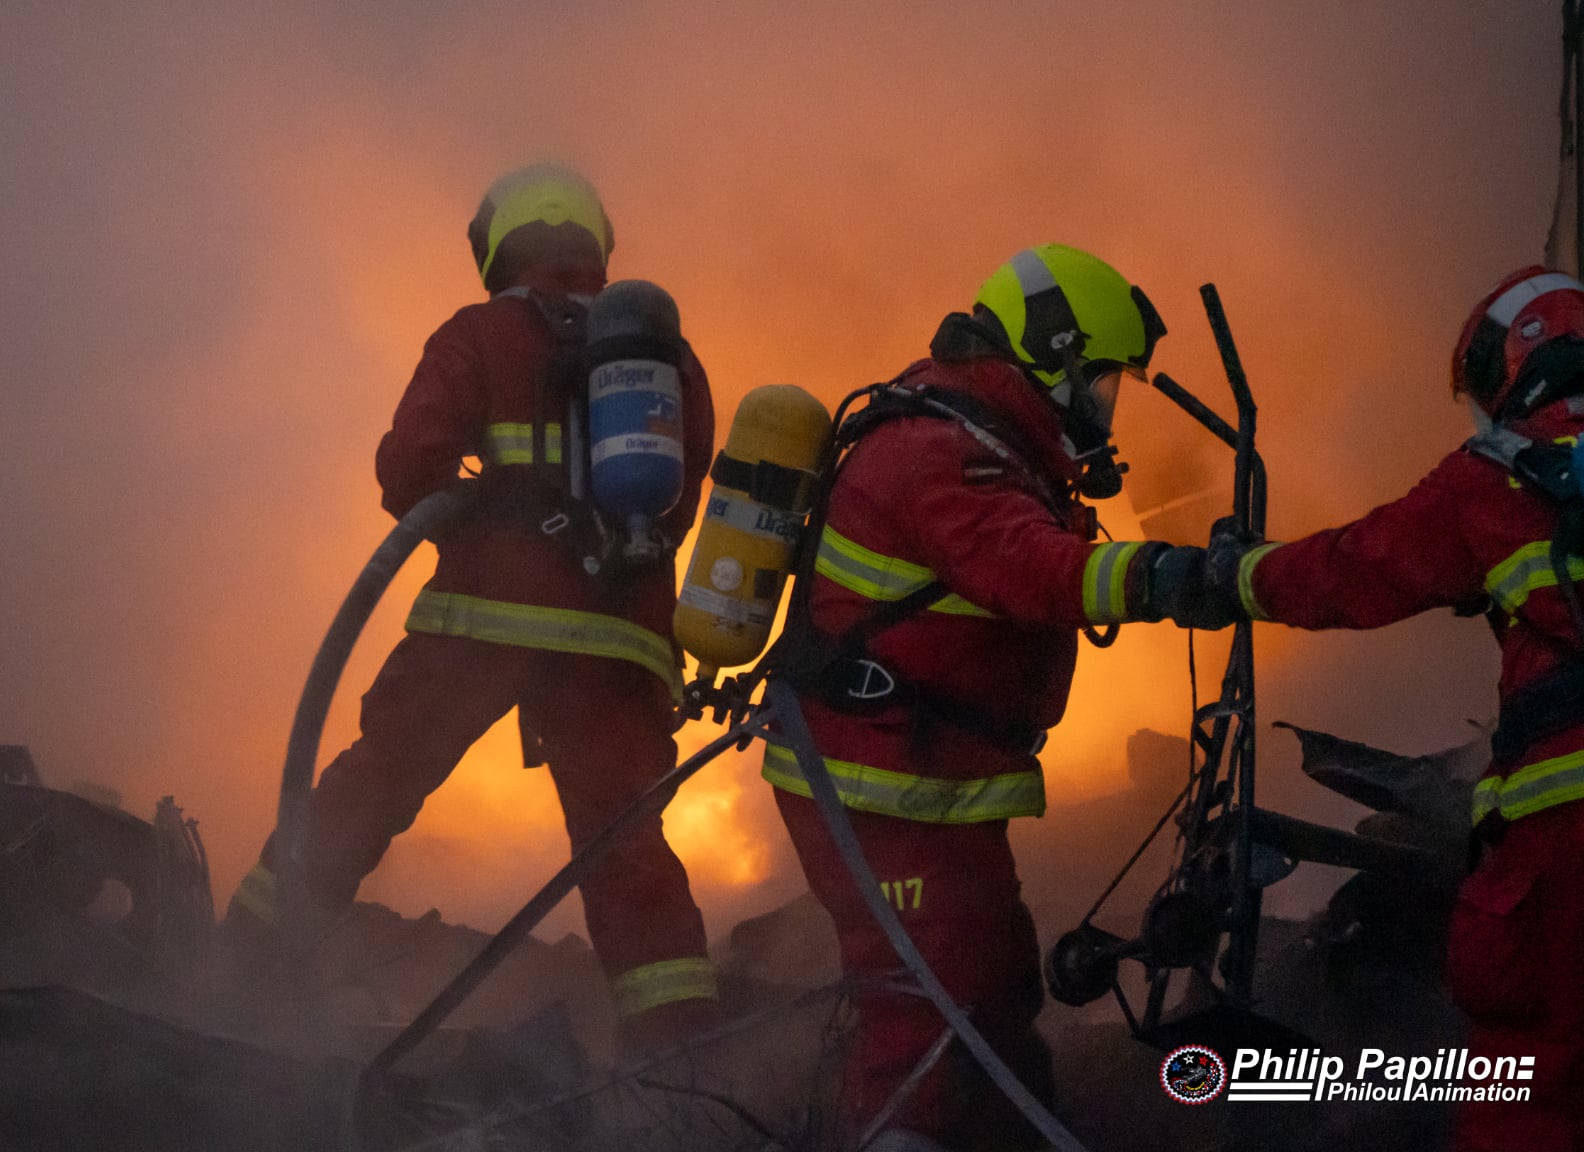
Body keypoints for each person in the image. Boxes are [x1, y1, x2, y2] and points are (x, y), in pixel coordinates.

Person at [225, 163, 721, 1052]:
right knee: (627, 851)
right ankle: (681, 1062)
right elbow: (677, 506)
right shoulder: (670, 360)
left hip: (483, 624)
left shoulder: (479, 333)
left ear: (502, 245)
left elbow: (408, 468)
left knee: (369, 790)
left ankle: (234, 979)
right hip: (618, 643)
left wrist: (478, 500)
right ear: (592, 241)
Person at [763, 244, 1206, 1148]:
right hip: (874, 781)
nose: (1105, 407)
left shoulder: (987, 444)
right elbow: (1032, 568)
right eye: (1101, 382)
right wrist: (1174, 577)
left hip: (928, 774)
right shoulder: (941, 454)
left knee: (996, 983)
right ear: (1053, 358)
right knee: (924, 1012)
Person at [1180, 266, 1584, 1151]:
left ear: (1510, 364)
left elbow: (1354, 568)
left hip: (1568, 841)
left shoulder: (1499, 478)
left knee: (1534, 1085)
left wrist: (1229, 573)